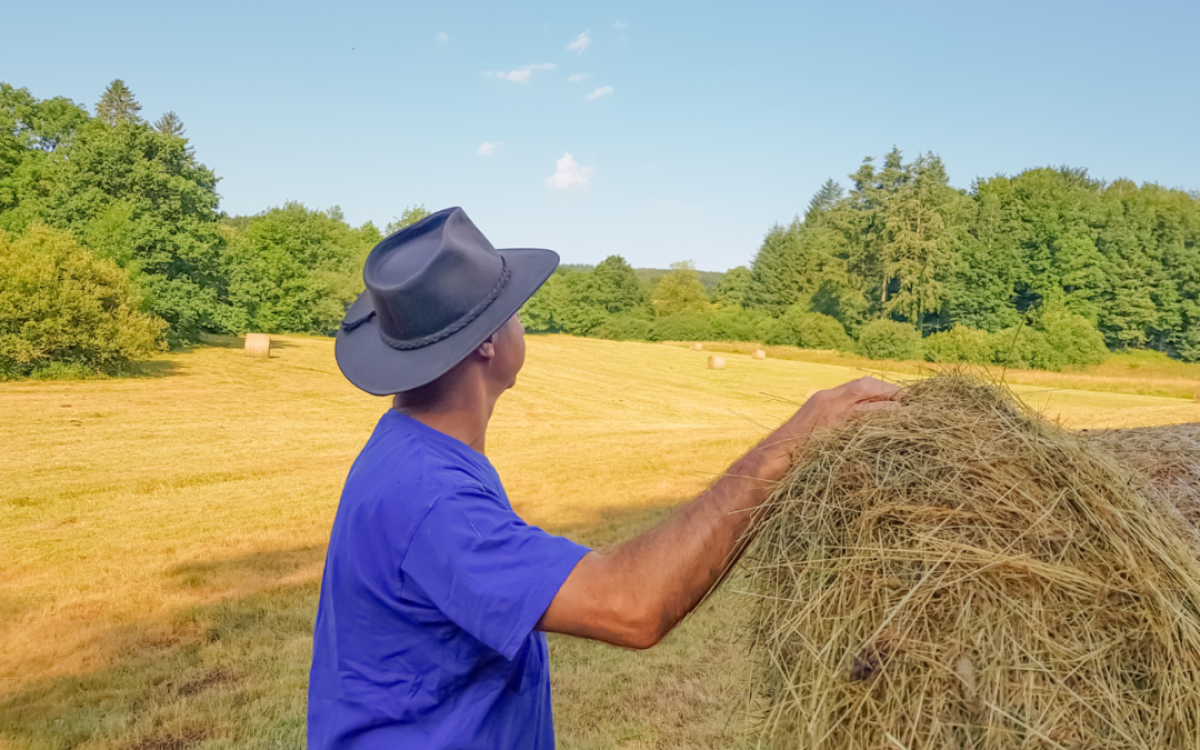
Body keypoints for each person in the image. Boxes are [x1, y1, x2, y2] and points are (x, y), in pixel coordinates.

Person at [307, 207, 902, 749]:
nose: (522, 320)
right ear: (488, 343)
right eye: (513, 309)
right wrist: (789, 446)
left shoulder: (410, 454)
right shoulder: (432, 497)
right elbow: (629, 605)